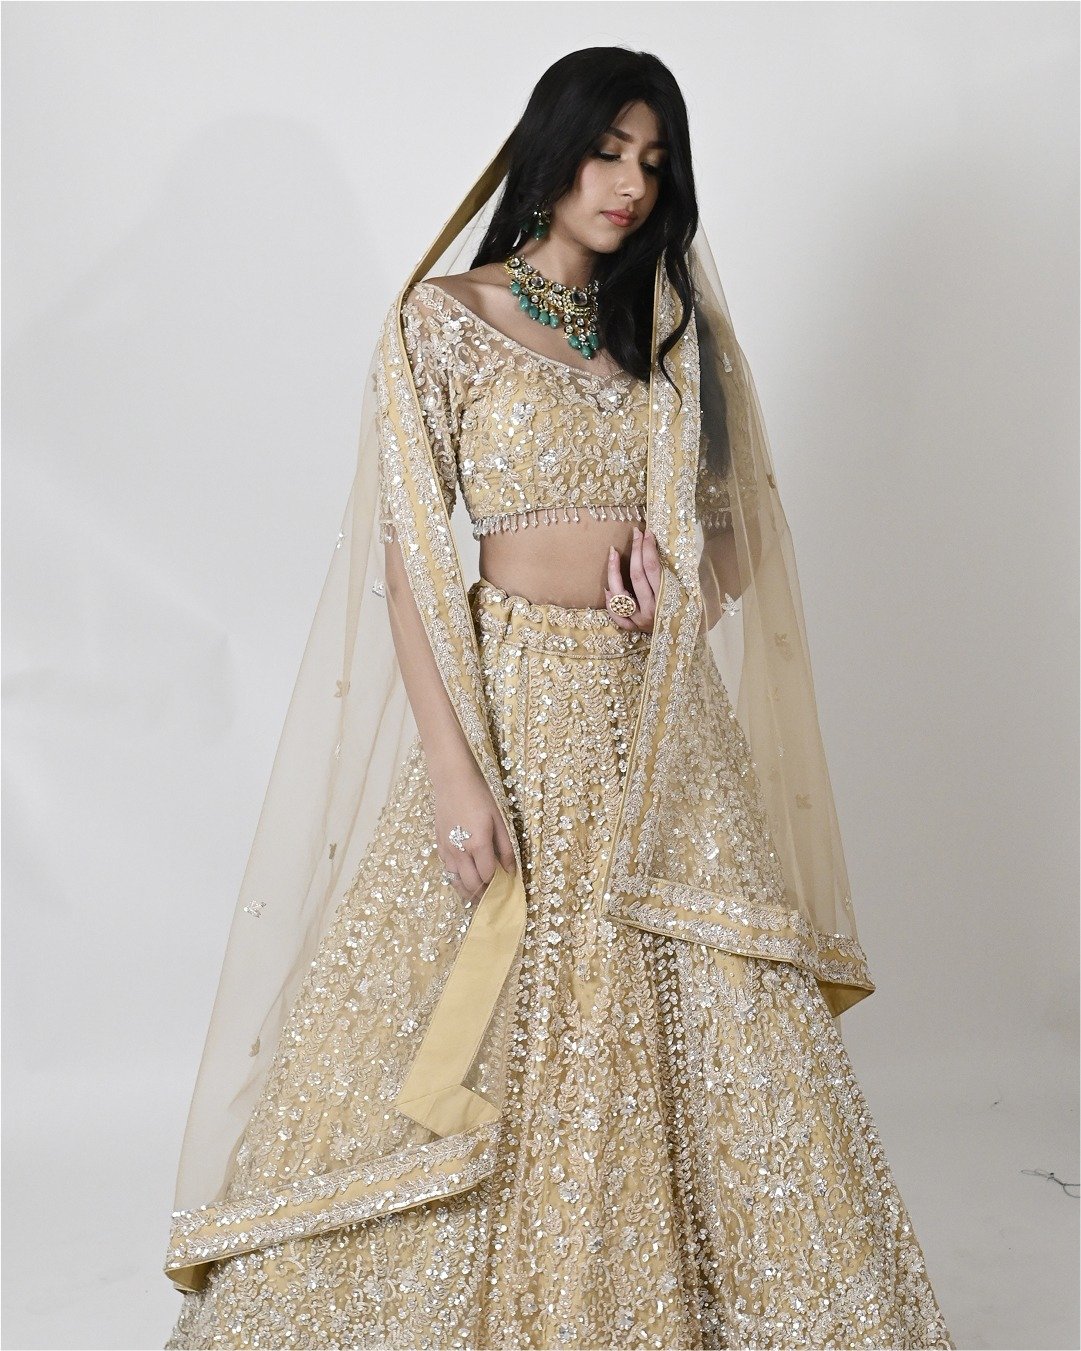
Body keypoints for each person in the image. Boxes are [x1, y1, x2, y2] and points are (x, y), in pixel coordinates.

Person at [163, 46, 954, 1350]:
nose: (629, 184)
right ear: (552, 150)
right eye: (607, 150)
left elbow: (740, 526)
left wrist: (679, 594)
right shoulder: (444, 318)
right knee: (480, 996)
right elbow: (411, 569)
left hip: (655, 724)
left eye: (653, 162)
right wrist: (455, 771)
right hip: (512, 702)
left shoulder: (669, 339)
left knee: (705, 1014)